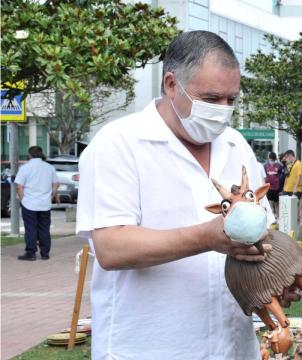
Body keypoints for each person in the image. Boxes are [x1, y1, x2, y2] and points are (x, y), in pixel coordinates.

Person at [76, 31, 279, 359]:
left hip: (233, 347)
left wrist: (277, 275)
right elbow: (111, 247)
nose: (223, 111)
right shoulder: (117, 144)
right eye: (211, 99)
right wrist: (207, 237)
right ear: (171, 84)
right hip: (150, 347)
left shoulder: (236, 144)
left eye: (231, 100)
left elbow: (262, 231)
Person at [15, 146, 59, 261]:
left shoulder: (24, 168)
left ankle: (31, 253)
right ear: (41, 154)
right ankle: (45, 253)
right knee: (44, 228)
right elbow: (55, 184)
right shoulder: (50, 168)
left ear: (29, 155)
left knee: (30, 228)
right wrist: (52, 196)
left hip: (29, 203)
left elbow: (19, 186)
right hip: (45, 204)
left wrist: (22, 199)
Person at [264, 151, 283, 217]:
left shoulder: (279, 166)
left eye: (273, 160)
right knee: (270, 203)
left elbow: (281, 175)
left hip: (276, 188)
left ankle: (278, 217)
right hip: (269, 187)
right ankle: (271, 217)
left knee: (276, 204)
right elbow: (264, 175)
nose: (271, 161)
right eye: (270, 160)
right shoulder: (266, 166)